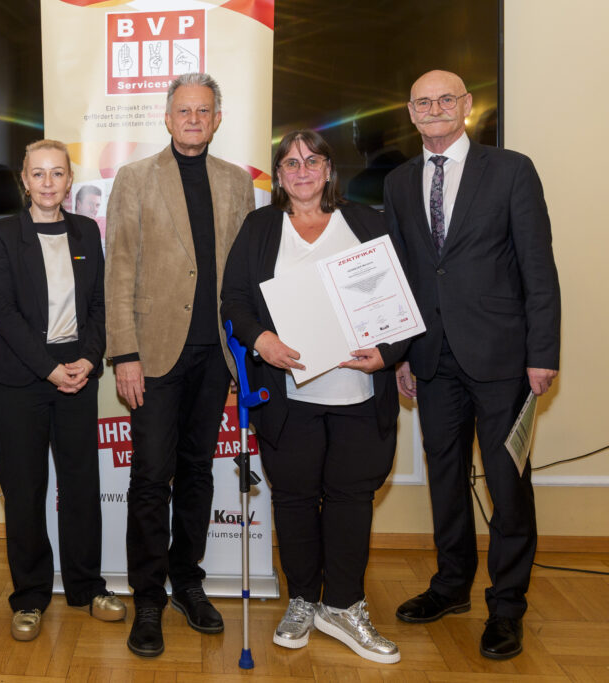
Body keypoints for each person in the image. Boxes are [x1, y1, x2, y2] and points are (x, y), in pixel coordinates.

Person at [384, 70, 560, 660]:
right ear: (411, 113)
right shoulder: (400, 181)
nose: (434, 109)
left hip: (503, 359)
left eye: (445, 99)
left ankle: (506, 605)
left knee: (509, 486)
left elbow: (538, 267)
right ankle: (451, 586)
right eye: (422, 102)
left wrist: (543, 354)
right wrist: (403, 353)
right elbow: (405, 274)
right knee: (446, 480)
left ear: (466, 106)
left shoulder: (511, 170)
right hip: (432, 359)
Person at [221, 130, 409, 664]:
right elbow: (234, 297)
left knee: (351, 498)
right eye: (290, 162)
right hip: (287, 395)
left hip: (359, 391)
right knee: (295, 498)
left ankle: (345, 605)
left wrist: (389, 351)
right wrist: (260, 339)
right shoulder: (260, 228)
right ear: (278, 175)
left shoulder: (368, 224)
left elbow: (401, 297)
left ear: (329, 169)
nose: (301, 170)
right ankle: (303, 599)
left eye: (312, 160)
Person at [104, 72, 254, 658]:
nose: (193, 119)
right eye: (183, 111)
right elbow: (118, 271)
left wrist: (245, 359)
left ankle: (187, 582)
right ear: (167, 119)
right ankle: (148, 596)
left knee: (197, 472)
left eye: (204, 111)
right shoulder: (136, 179)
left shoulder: (237, 183)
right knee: (150, 477)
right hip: (154, 355)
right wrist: (125, 354)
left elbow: (243, 275)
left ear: (217, 120)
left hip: (215, 355)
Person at [0, 139, 125, 641]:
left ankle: (87, 587)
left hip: (78, 374)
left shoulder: (87, 230)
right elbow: (3, 311)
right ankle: (30, 596)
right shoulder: (0, 236)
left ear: (69, 180)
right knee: (25, 492)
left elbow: (100, 305)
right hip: (20, 379)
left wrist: (87, 358)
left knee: (81, 486)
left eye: (57, 173)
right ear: (25, 180)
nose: (48, 183)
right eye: (38, 174)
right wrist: (48, 369)